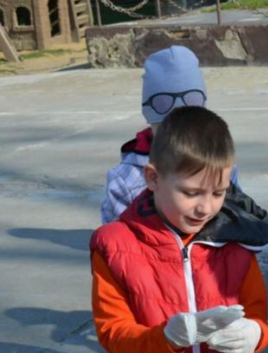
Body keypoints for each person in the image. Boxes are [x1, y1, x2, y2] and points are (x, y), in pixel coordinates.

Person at [90, 107, 268, 353]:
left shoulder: (237, 242)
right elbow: (113, 333)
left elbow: (258, 315)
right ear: (154, 178)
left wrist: (255, 335)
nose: (206, 206)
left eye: (219, 192)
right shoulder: (115, 246)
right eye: (191, 193)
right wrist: (167, 337)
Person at [101, 45, 239, 224]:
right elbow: (115, 239)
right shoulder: (127, 179)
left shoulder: (219, 163)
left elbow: (235, 215)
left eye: (217, 192)